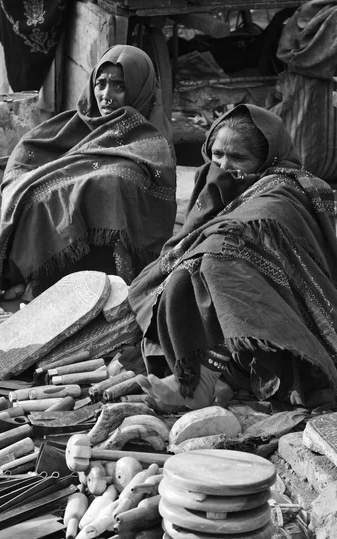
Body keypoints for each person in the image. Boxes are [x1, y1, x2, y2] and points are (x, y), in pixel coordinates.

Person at [129, 103, 337, 412]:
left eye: (239, 157)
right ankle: (200, 372)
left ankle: (204, 379)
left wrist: (213, 250)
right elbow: (185, 241)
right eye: (217, 155)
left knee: (219, 265)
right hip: (232, 321)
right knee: (186, 272)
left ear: (269, 160)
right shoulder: (212, 183)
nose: (225, 166)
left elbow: (249, 231)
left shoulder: (285, 191)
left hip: (280, 316)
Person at [0, 45, 176, 306]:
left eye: (119, 87)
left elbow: (126, 181)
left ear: (139, 89)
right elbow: (31, 148)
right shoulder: (80, 121)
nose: (106, 96)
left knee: (108, 187)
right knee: (28, 174)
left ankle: (82, 288)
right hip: (68, 242)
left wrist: (77, 185)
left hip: (101, 251)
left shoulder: (152, 140)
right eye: (101, 84)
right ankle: (37, 274)